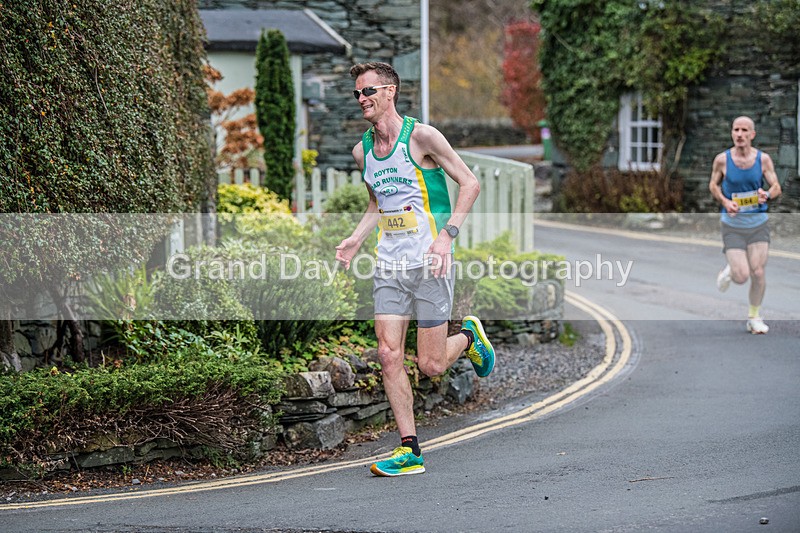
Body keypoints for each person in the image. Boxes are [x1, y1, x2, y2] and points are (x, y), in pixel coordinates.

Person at [335, 62, 495, 476]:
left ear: (390, 91)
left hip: (430, 261)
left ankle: (469, 336)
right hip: (389, 264)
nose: (361, 99)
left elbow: (470, 183)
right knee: (389, 354)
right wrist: (356, 238)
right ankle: (410, 450)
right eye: (356, 93)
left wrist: (447, 235)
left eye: (368, 90)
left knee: (432, 365)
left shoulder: (422, 137)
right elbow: (377, 203)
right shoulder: (361, 151)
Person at [709, 116, 781, 334]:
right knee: (742, 277)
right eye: (736, 130)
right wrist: (725, 201)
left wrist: (766, 194)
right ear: (732, 133)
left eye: (744, 130)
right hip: (732, 225)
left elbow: (776, 186)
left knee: (758, 272)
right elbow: (713, 185)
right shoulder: (722, 160)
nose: (739, 134)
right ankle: (731, 270)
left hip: (758, 223)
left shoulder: (763, 160)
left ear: (752, 134)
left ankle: (754, 316)